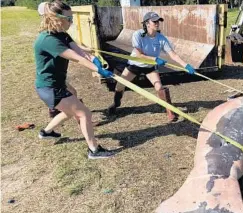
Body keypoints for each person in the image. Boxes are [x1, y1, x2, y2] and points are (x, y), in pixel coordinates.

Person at [34, 0, 116, 159]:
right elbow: (77, 58)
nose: (71, 22)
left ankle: (46, 132)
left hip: (58, 82)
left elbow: (80, 52)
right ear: (56, 18)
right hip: (49, 87)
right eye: (69, 19)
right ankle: (94, 150)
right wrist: (99, 71)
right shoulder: (49, 40)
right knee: (84, 113)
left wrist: (94, 59)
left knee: (72, 103)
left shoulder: (62, 34)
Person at [107, 11, 196, 122]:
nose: (157, 23)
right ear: (147, 23)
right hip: (135, 65)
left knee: (159, 87)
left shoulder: (161, 38)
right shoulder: (138, 35)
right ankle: (116, 104)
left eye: (158, 21)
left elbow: (173, 54)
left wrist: (186, 65)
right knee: (120, 86)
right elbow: (138, 54)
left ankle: (170, 111)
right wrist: (155, 59)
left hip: (150, 67)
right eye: (154, 21)